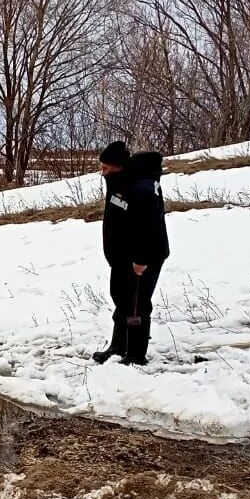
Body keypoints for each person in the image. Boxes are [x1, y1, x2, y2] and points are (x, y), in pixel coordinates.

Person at [92, 142, 170, 365]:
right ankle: (119, 346)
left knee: (138, 304)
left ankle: (136, 354)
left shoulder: (141, 187)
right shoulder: (118, 182)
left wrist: (141, 259)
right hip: (122, 257)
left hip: (144, 257)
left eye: (105, 168)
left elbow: (150, 226)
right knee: (122, 299)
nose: (102, 172)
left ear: (118, 167)